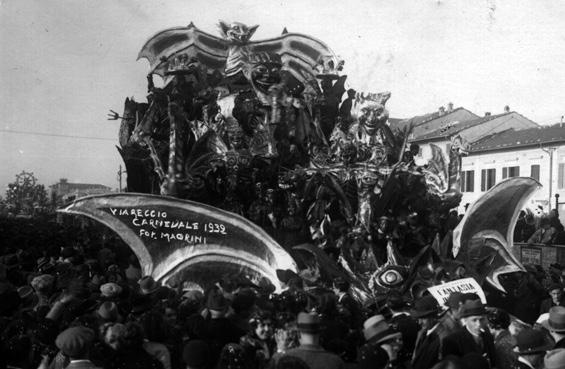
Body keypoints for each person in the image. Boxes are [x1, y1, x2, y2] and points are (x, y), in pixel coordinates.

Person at [441, 300, 496, 366]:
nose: (478, 324)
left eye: (482, 319)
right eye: (474, 320)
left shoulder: (488, 337)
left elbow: (494, 362)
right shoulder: (452, 341)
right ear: (465, 320)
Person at [411, 295, 442, 369]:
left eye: (423, 318)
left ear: (433, 316)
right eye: (418, 318)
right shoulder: (421, 333)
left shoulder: (443, 337)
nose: (419, 322)